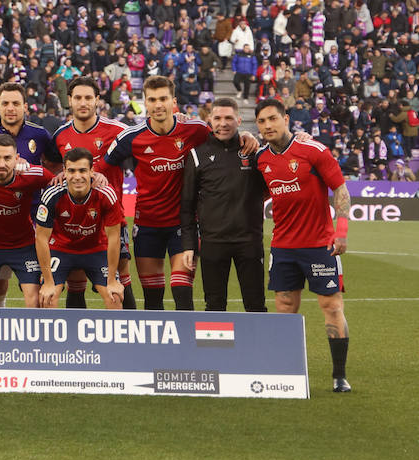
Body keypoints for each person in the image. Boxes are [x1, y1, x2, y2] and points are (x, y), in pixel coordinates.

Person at [104, 76, 250, 310]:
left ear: (173, 101)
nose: (158, 104)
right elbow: (103, 166)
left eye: (163, 98)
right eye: (152, 99)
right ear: (145, 103)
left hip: (184, 226)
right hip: (147, 226)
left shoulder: (195, 130)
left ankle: (187, 346)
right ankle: (160, 347)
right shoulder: (131, 137)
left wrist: (246, 136)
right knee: (153, 299)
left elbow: (226, 137)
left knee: (182, 293)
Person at [252, 99, 354, 392]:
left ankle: (339, 376)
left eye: (273, 119)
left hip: (320, 246)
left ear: (286, 118)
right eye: (261, 121)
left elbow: (341, 189)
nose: (268, 126)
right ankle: (288, 373)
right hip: (283, 247)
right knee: (285, 307)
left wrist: (342, 231)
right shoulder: (261, 159)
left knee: (331, 307)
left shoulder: (313, 150)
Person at [53, 76, 136, 308]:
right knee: (74, 279)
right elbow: (51, 168)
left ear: (97, 100)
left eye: (89, 97)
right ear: (69, 100)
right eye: (78, 97)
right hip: (75, 221)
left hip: (111, 220)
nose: (83, 102)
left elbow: (150, 137)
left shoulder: (119, 131)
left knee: (120, 278)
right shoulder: (60, 135)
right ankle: (76, 341)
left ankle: (131, 337)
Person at [0, 82, 57, 305]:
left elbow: (55, 168)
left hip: (34, 217)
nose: (11, 108)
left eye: (16, 103)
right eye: (5, 103)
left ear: (25, 107)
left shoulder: (39, 134)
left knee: (38, 288)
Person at [179, 98, 268, 312]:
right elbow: (187, 206)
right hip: (212, 242)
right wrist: (189, 245)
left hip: (249, 242)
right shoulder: (197, 155)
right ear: (209, 120)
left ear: (239, 120)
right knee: (214, 306)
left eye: (229, 118)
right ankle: (214, 347)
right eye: (217, 118)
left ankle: (256, 346)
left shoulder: (254, 152)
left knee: (256, 306)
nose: (223, 123)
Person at [34, 149, 126, 310]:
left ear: (92, 171)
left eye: (83, 170)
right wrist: (48, 282)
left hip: (96, 249)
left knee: (115, 298)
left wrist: (112, 280)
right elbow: (41, 238)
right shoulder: (52, 194)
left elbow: (114, 238)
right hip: (61, 249)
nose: (77, 176)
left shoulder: (106, 193)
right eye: (71, 171)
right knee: (48, 299)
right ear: (64, 172)